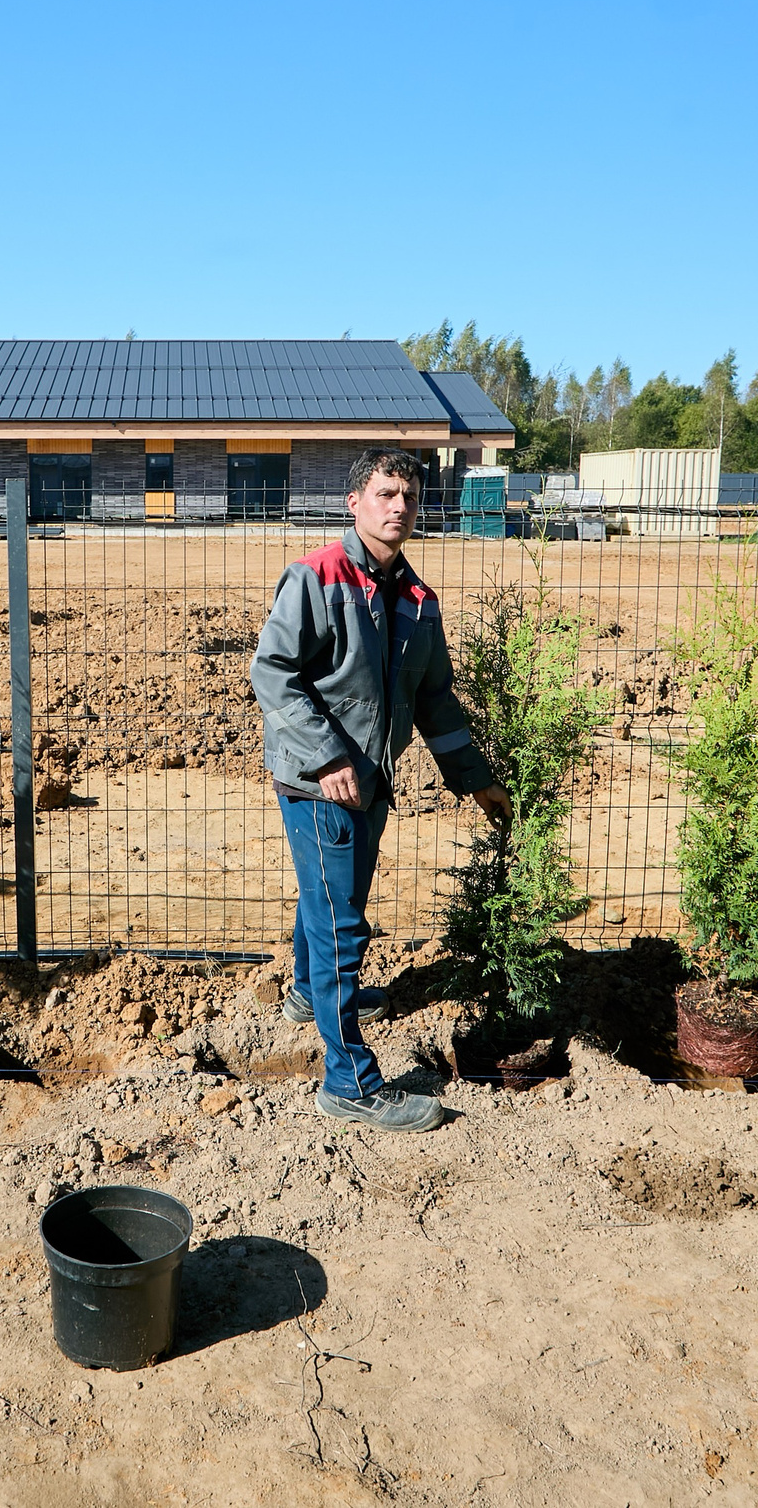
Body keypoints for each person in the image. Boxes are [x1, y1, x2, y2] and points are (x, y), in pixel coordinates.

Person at [251, 448, 512, 1132]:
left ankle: (308, 994)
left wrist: (476, 779)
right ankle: (350, 1083)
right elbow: (272, 671)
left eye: (411, 496)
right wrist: (326, 755)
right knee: (343, 922)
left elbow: (436, 701)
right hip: (317, 781)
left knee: (335, 901)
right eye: (386, 492)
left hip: (371, 782)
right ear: (355, 502)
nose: (400, 506)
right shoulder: (317, 577)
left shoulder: (418, 600)